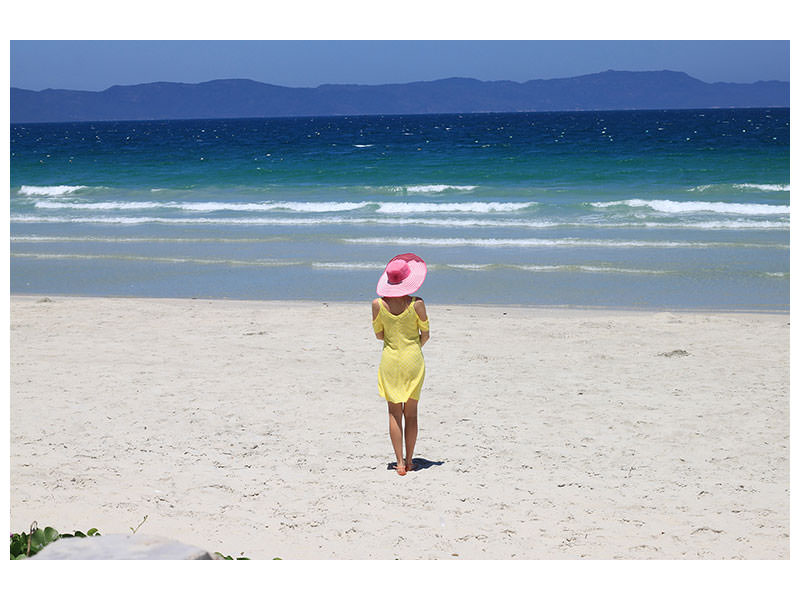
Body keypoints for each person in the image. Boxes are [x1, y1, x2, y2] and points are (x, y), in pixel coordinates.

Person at [371, 253, 430, 476]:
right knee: (411, 413)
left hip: (390, 359)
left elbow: (379, 335)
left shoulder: (377, 304)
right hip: (413, 359)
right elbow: (426, 334)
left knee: (394, 413)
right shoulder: (417, 304)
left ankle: (399, 463)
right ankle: (411, 460)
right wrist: (413, 348)